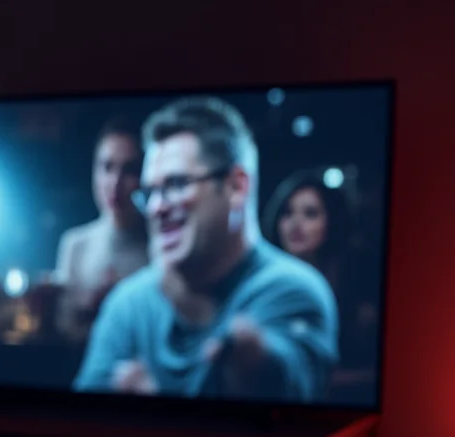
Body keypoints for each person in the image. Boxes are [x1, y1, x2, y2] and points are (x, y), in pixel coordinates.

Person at [73, 97, 339, 402]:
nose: (156, 208)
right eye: (150, 192)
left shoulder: (292, 290)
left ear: (236, 186)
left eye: (176, 184)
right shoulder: (128, 304)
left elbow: (283, 417)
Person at [263, 171, 379, 378]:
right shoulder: (262, 288)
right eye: (287, 213)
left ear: (331, 222)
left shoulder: (355, 295)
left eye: (310, 214)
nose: (295, 223)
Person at [52, 118, 150, 342]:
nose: (115, 183)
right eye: (107, 167)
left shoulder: (161, 248)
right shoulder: (75, 244)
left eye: (128, 170)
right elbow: (64, 333)